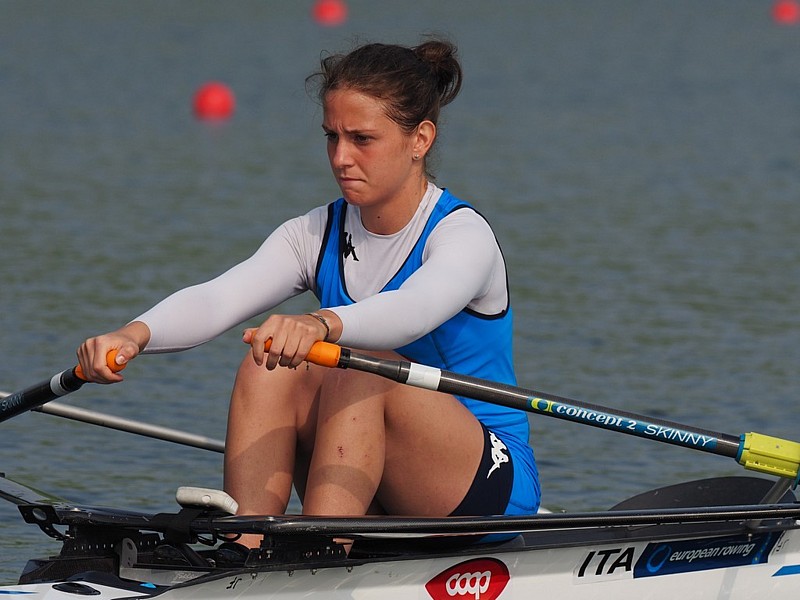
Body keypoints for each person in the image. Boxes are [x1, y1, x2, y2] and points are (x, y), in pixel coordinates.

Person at [77, 38, 540, 547]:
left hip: (485, 486)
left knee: (358, 363)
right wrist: (134, 334)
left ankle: (321, 553)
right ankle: (245, 549)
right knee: (268, 358)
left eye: (362, 139)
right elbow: (217, 299)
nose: (341, 158)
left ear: (420, 140)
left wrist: (320, 323)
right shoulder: (315, 233)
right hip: (375, 474)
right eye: (331, 137)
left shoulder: (462, 234)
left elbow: (415, 311)